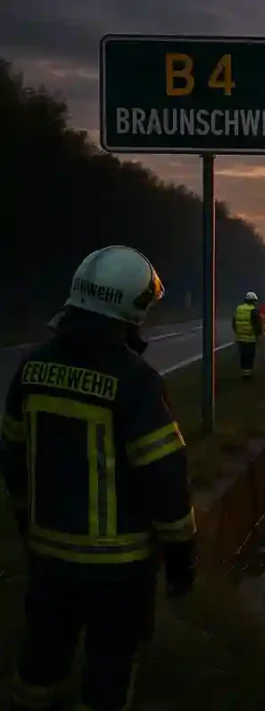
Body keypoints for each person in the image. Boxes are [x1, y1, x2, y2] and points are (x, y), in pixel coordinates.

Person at [2, 246, 196, 711]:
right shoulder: (135, 381)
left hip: (48, 558)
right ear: (130, 309)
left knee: (40, 663)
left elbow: (13, 459)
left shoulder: (31, 367)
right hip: (119, 571)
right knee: (109, 673)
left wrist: (29, 526)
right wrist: (181, 557)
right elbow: (165, 479)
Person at [232, 291, 262, 380]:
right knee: (250, 355)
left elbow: (234, 322)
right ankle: (248, 375)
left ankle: (243, 373)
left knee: (243, 355)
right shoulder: (254, 310)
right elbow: (257, 324)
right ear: (253, 301)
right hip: (250, 337)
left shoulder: (238, 308)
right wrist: (258, 335)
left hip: (240, 337)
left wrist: (237, 332)